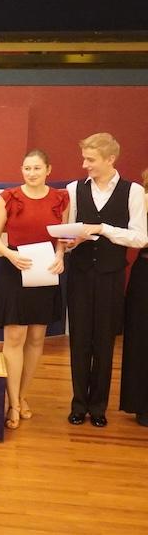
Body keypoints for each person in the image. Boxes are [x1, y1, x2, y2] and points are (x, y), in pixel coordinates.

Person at [63, 133, 147, 427]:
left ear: (111, 159)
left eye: (91, 159)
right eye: (84, 158)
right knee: (79, 341)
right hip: (80, 275)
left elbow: (140, 237)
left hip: (111, 276)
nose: (84, 165)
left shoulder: (133, 191)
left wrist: (103, 228)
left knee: (104, 342)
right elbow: (68, 230)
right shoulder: (74, 189)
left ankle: (98, 406)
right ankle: (78, 404)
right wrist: (72, 240)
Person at [0, 150, 68, 429]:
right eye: (27, 168)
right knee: (15, 335)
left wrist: (61, 256)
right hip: (15, 268)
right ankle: (13, 403)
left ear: (48, 170)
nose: (31, 173)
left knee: (36, 337)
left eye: (37, 168)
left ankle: (21, 396)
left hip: (45, 270)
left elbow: (63, 237)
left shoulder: (60, 198)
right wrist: (11, 255)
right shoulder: (8, 197)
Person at [120, 168, 148, 427]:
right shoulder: (142, 198)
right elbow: (139, 238)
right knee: (141, 337)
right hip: (146, 272)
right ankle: (142, 404)